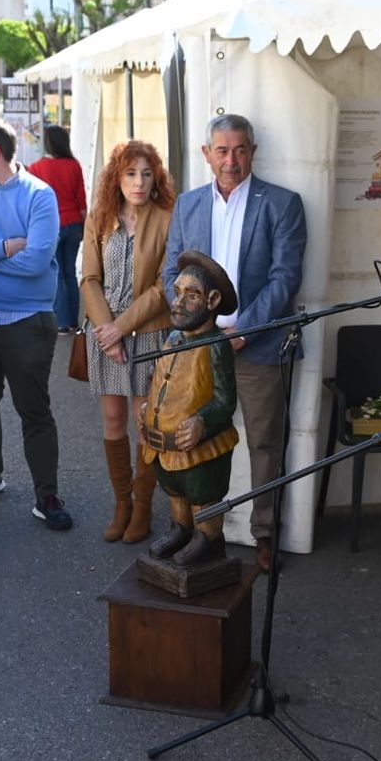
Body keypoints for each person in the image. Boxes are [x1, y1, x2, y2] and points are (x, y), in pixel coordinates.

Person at [163, 113, 306, 572]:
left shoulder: (282, 204)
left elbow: (285, 278)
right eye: (222, 150)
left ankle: (265, 534)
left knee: (264, 443)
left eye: (240, 149)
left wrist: (244, 329)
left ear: (253, 152)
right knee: (190, 437)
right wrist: (197, 331)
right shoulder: (187, 205)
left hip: (258, 346)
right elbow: (171, 274)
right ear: (207, 154)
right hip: (198, 351)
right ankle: (194, 529)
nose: (231, 160)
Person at [0, 119, 69, 530]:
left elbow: (37, 261)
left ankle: (47, 495)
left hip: (27, 321)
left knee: (34, 410)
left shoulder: (40, 195)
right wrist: (5, 247)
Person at [82, 139, 176, 544]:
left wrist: (121, 328)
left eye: (146, 174)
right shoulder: (99, 218)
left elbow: (164, 286)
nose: (138, 182)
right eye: (130, 173)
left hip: (148, 334)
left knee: (145, 423)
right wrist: (108, 332)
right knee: (113, 420)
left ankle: (142, 507)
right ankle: (121, 503)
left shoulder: (167, 219)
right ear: (116, 179)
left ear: (156, 179)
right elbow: (89, 279)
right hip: (106, 336)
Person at [141, 252, 239, 567]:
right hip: (165, 444)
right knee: (175, 491)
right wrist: (150, 408)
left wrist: (201, 422)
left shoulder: (215, 346)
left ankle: (208, 538)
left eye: (192, 295)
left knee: (202, 495)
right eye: (177, 292)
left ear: (212, 301)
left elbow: (225, 400)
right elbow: (163, 379)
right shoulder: (172, 338)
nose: (179, 302)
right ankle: (180, 529)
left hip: (201, 450)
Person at [26, 125, 87, 332]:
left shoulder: (36, 168)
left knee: (57, 273)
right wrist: (84, 226)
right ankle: (74, 321)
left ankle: (62, 322)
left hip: (51, 227)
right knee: (70, 273)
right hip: (74, 224)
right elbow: (81, 201)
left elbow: (33, 203)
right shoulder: (74, 165)